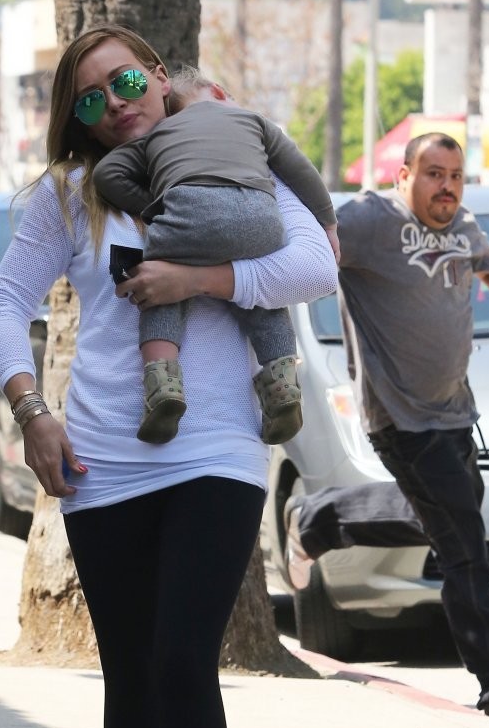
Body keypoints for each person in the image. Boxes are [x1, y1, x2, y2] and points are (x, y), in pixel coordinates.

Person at [0, 24, 337, 728]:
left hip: (215, 447)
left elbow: (314, 263)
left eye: (126, 82)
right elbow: (3, 304)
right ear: (77, 119)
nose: (115, 104)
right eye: (91, 99)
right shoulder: (74, 194)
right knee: (133, 671)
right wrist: (32, 411)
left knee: (183, 658)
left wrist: (196, 277)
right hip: (103, 458)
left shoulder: (233, 149)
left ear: (158, 75)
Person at [284, 132, 489, 723]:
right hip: (401, 417)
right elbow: (305, 246)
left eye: (455, 176)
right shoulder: (370, 221)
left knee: (438, 518)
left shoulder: (462, 226)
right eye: (434, 173)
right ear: (404, 176)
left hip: (456, 410)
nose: (447, 187)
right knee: (464, 548)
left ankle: (318, 519)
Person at [93, 65, 340, 446]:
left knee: (162, 286)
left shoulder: (161, 132)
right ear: (221, 92)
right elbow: (302, 171)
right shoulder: (254, 121)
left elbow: (107, 173)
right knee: (264, 299)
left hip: (188, 214)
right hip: (261, 219)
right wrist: (328, 223)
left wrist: (155, 205)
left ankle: (163, 386)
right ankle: (282, 385)